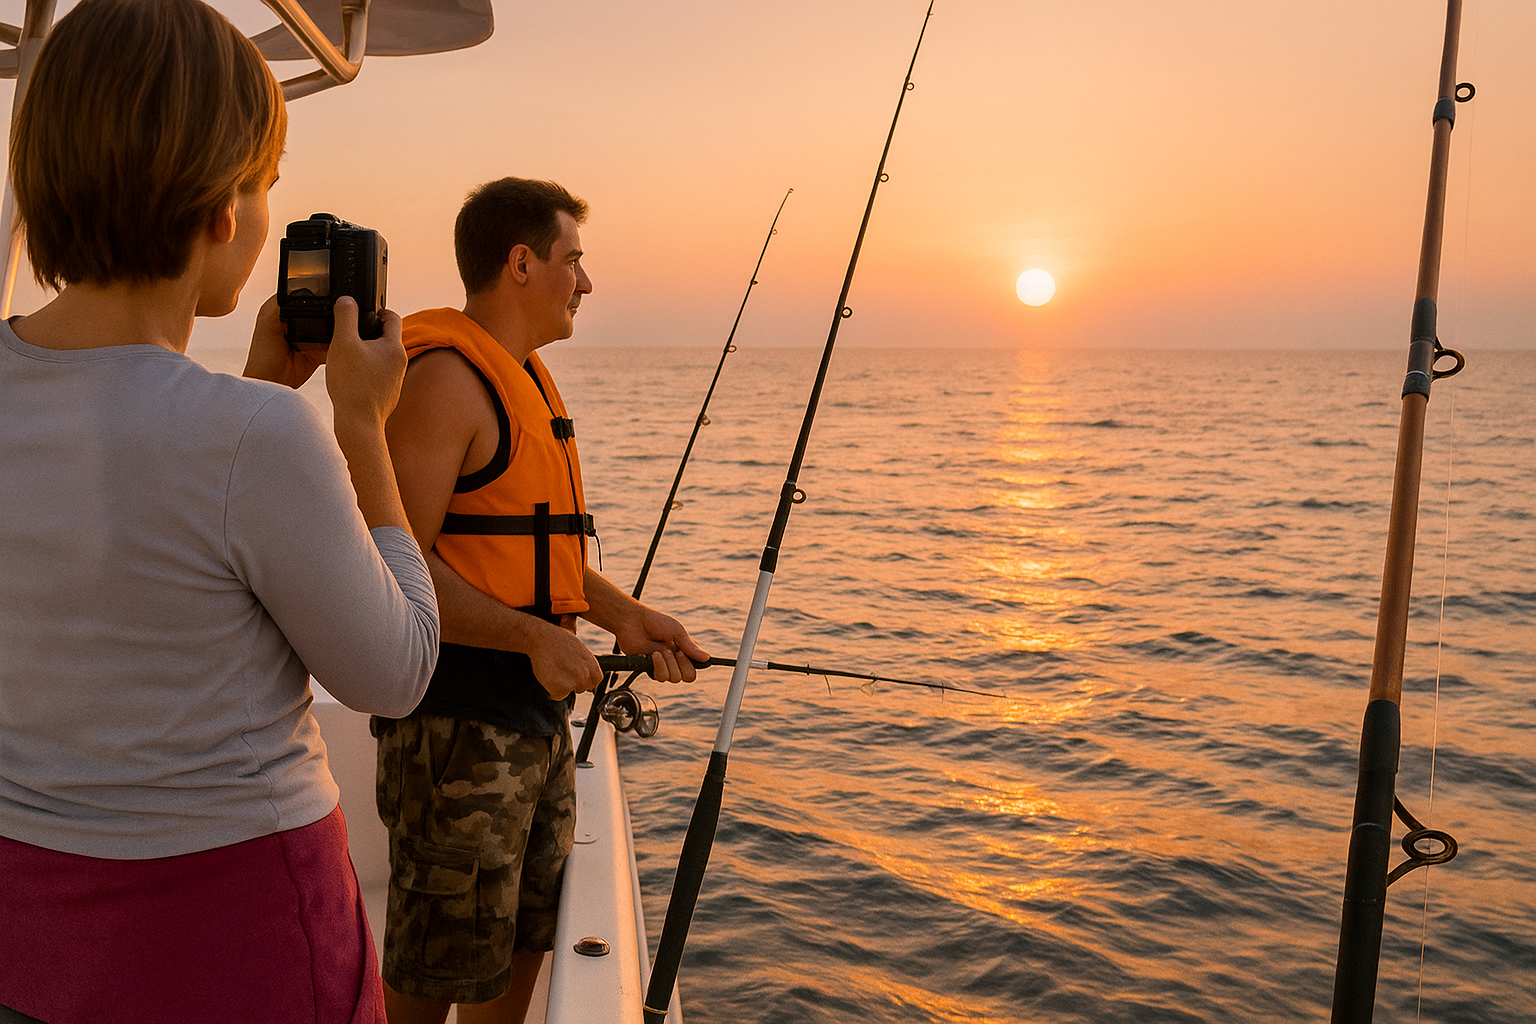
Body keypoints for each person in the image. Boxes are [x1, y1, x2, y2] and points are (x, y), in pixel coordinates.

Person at [0, 1, 439, 1022]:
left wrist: (257, 388)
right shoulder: (254, 438)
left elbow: (130, 480)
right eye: (265, 182)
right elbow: (398, 671)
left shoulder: (239, 426)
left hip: (29, 937)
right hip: (231, 934)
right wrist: (363, 426)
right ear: (221, 212)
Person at [376, 177, 709, 1024]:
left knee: (524, 946)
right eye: (573, 261)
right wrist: (530, 638)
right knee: (435, 967)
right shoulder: (446, 380)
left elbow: (517, 549)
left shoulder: (519, 378)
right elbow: (397, 567)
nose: (586, 283)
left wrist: (620, 614)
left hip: (531, 725)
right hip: (454, 733)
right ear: (520, 263)